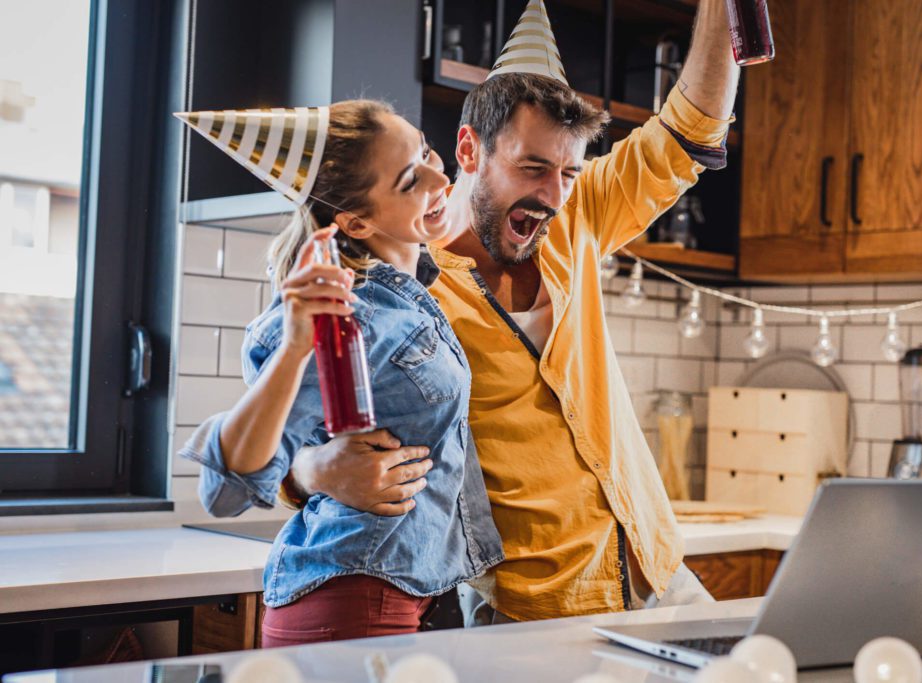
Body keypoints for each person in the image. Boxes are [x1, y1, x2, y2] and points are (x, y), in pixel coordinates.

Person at [210, 0, 739, 624]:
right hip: (527, 600)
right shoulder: (396, 279)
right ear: (469, 148)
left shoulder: (578, 213)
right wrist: (311, 470)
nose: (553, 195)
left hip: (652, 566)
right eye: (532, 167)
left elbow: (691, 126)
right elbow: (280, 440)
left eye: (569, 171)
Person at [176, 100, 504, 645]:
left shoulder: (408, 296)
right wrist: (297, 346)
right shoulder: (341, 313)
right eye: (409, 178)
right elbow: (223, 494)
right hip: (353, 598)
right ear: (355, 221)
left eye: (425, 151)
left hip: (409, 589)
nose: (440, 173)